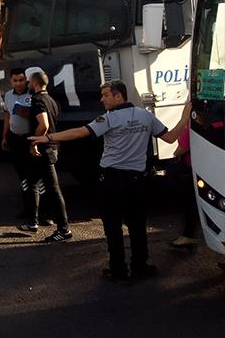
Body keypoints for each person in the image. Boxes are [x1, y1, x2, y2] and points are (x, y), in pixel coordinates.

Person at [29, 80, 190, 281]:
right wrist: (185, 117)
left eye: (106, 95)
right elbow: (170, 137)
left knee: (113, 227)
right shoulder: (146, 116)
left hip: (112, 181)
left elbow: (79, 132)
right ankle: (141, 266)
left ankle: (118, 270)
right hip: (137, 180)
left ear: (118, 96)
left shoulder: (108, 119)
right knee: (138, 225)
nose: (101, 99)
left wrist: (47, 138)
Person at [18, 71, 72, 242]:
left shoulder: (38, 100)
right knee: (31, 182)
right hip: (51, 147)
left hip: (43, 150)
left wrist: (34, 142)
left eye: (28, 82)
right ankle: (33, 222)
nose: (27, 85)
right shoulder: (52, 100)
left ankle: (64, 230)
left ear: (34, 83)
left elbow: (44, 124)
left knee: (54, 190)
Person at [1, 68, 33, 217]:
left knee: (36, 177)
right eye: (15, 80)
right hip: (15, 138)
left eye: (21, 80)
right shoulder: (8, 95)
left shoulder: (33, 94)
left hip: (30, 139)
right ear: (11, 81)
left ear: (26, 80)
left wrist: (26, 114)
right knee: (22, 176)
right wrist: (4, 136)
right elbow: (7, 116)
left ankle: (42, 211)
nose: (19, 83)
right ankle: (28, 209)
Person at [168, 125, 199, 248]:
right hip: (208, 169)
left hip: (192, 170)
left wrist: (175, 153)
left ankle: (188, 236)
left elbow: (181, 149)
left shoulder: (192, 127)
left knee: (189, 204)